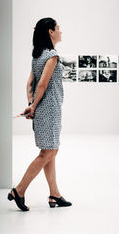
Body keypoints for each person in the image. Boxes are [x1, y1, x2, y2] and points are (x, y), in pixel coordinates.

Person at [7, 17, 72, 211]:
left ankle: (55, 194)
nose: (61, 31)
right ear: (50, 32)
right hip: (49, 109)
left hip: (43, 109)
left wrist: (31, 103)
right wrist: (33, 107)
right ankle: (19, 190)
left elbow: (30, 84)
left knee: (50, 152)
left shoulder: (37, 55)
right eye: (58, 28)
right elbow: (42, 84)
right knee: (47, 153)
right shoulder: (52, 55)